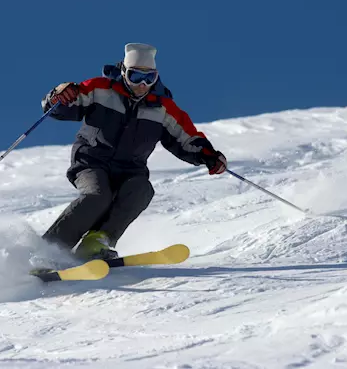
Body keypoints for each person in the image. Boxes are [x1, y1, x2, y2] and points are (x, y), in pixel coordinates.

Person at [40, 43, 227, 260]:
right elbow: (61, 105)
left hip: (131, 170)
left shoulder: (163, 108)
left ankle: (97, 241)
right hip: (92, 161)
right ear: (124, 72)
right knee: (97, 196)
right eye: (136, 76)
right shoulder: (100, 89)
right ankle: (51, 249)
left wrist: (209, 155)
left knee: (142, 191)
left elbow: (186, 138)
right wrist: (60, 95)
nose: (143, 84)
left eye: (150, 78)